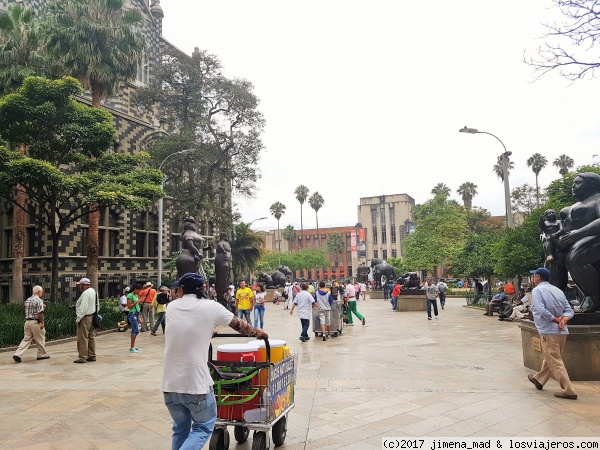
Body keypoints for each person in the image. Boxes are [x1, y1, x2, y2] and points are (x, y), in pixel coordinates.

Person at [162, 272, 268, 449]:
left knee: (180, 429)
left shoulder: (172, 307)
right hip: (195, 386)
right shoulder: (211, 306)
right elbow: (239, 325)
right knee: (203, 427)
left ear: (181, 290)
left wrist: (206, 331)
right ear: (202, 289)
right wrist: (258, 332)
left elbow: (184, 329)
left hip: (169, 386)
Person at [527, 268, 577, 400]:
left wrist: (554, 319)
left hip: (548, 330)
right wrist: (564, 319)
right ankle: (539, 380)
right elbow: (569, 309)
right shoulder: (558, 290)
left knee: (555, 360)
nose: (533, 278)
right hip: (561, 331)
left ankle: (569, 390)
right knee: (551, 357)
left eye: (534, 276)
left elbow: (540, 309)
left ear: (538, 277)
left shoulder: (537, 290)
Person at [555, 172, 600, 312]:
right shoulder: (576, 204)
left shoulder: (598, 200)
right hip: (574, 239)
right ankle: (558, 296)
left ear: (592, 184)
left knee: (575, 257)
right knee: (555, 258)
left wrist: (578, 234)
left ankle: (593, 296)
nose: (573, 186)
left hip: (594, 237)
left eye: (577, 183)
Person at [13, 286, 49, 363]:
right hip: (35, 322)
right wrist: (42, 323)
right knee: (40, 338)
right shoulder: (39, 300)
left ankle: (17, 354)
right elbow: (40, 313)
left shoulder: (28, 300)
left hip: (27, 322)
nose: (42, 293)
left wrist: (42, 307)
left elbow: (31, 310)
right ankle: (41, 354)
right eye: (41, 291)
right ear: (39, 292)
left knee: (26, 339)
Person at [74, 277, 97, 363]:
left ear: (84, 285)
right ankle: (92, 355)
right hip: (92, 316)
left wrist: (78, 319)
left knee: (82, 337)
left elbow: (83, 307)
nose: (79, 286)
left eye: (80, 285)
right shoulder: (93, 291)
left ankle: (82, 357)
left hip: (85, 317)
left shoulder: (86, 293)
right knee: (91, 336)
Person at [126, 284, 144, 352]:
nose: (139, 292)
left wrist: (139, 302)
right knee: (136, 329)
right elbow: (129, 306)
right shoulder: (129, 295)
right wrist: (137, 301)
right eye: (139, 290)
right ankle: (131, 347)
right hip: (132, 314)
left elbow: (136, 305)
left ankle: (133, 346)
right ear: (135, 289)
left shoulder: (136, 295)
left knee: (134, 330)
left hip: (137, 313)